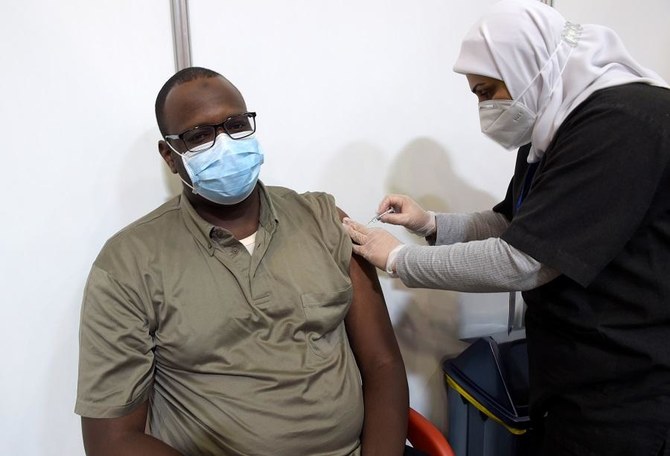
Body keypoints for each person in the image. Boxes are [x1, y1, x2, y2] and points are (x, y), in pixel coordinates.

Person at [343, 0, 670, 454]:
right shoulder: (551, 127)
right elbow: (511, 223)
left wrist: (399, 259)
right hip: (570, 372)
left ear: (528, 67)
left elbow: (524, 261)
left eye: (486, 91)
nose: (484, 107)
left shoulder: (622, 122)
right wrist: (430, 223)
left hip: (630, 383)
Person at [75, 66, 412, 456]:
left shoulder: (323, 221)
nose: (226, 144)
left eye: (236, 125)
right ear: (170, 156)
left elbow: (383, 364)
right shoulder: (128, 264)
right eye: (199, 136)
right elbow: (111, 441)